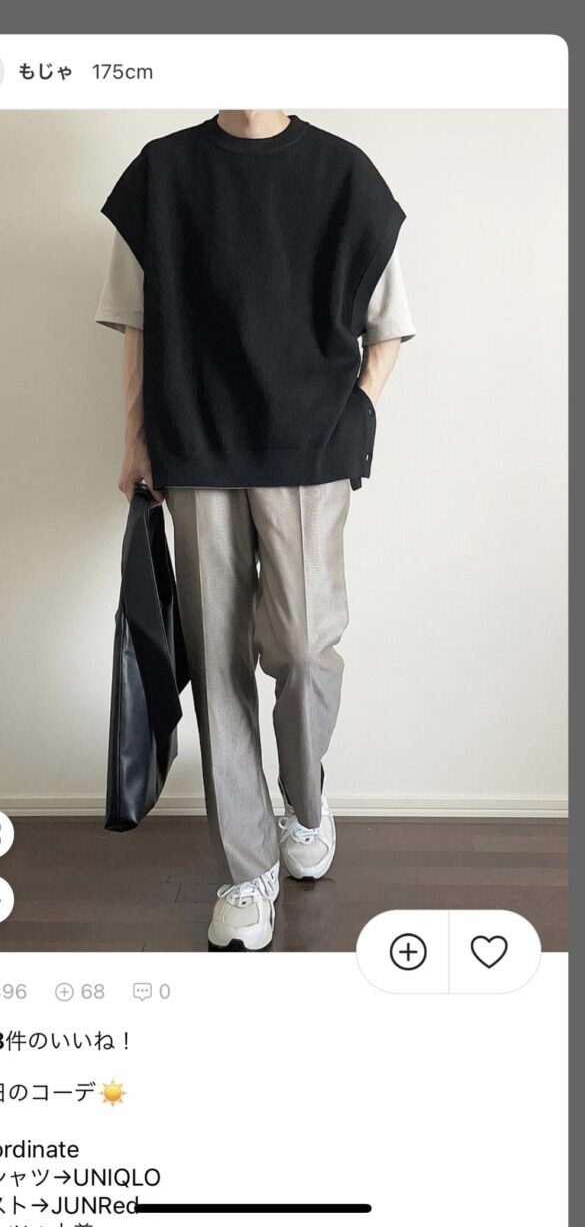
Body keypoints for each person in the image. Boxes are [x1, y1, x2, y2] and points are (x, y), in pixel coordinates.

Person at [97, 110, 414, 950]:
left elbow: (388, 321)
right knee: (217, 659)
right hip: (194, 441)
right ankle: (245, 871)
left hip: (309, 451)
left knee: (304, 647)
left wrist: (355, 414)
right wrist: (134, 436)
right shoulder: (162, 172)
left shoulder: (342, 172)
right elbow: (135, 319)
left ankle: (304, 803)